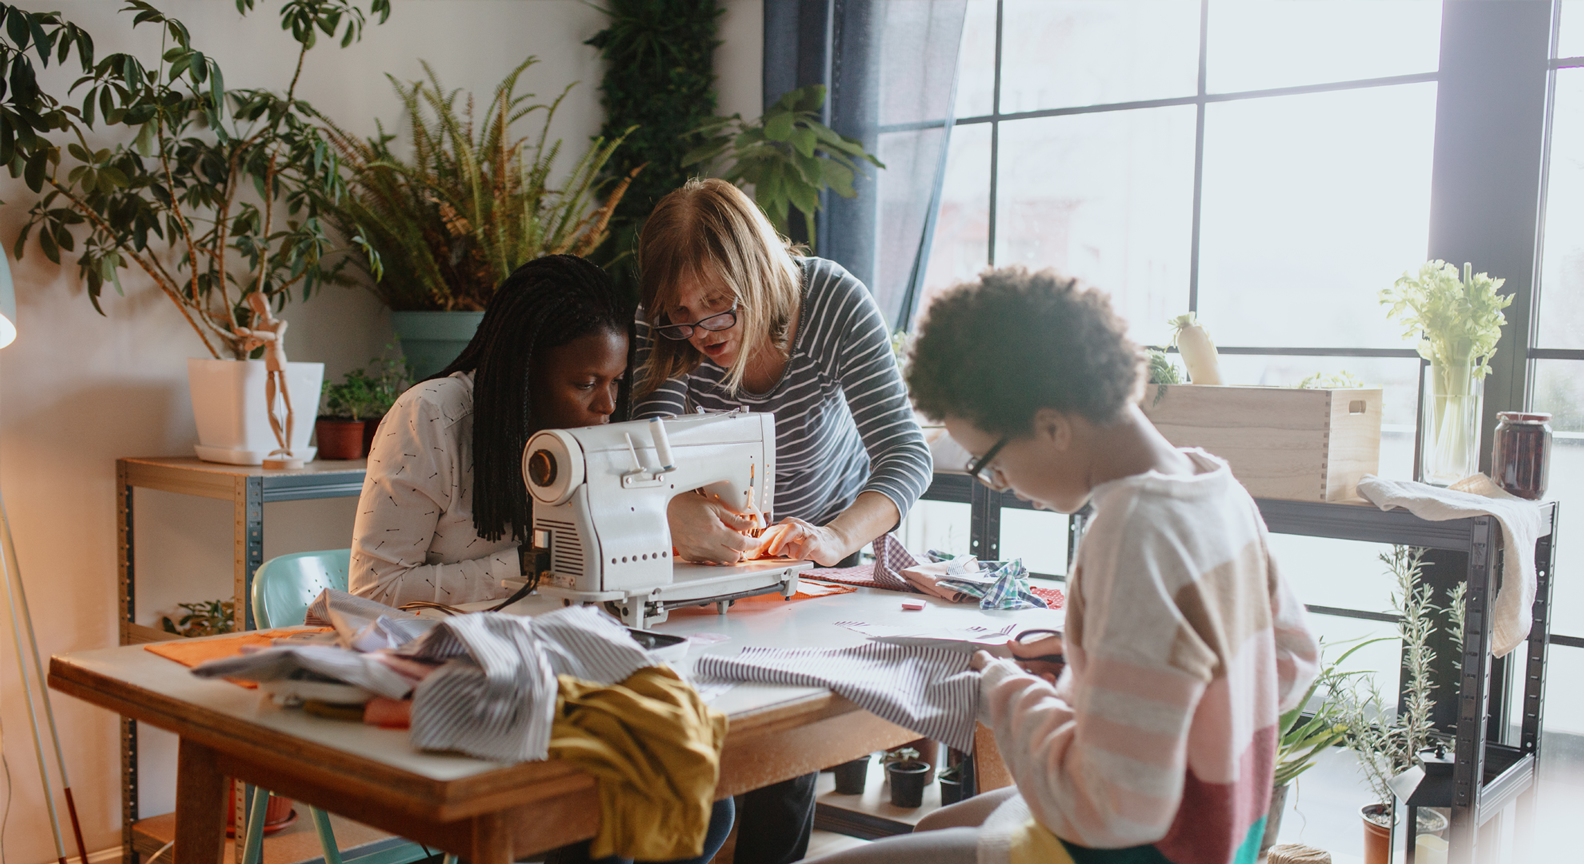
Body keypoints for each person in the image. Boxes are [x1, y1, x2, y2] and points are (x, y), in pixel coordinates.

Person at [805, 267, 1320, 864]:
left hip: (1144, 846)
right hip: (1223, 832)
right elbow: (1290, 662)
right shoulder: (1213, 485)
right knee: (935, 829)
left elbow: (1115, 805)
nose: (1000, 486)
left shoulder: (1130, 532)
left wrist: (1006, 691)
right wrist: (1100, 662)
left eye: (988, 463)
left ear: (1051, 427)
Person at [350, 254, 734, 864]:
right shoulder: (431, 419)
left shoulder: (589, 435)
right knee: (589, 823)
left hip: (557, 666)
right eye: (586, 384)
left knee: (705, 794)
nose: (607, 407)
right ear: (525, 373)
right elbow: (373, 593)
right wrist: (531, 561)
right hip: (464, 675)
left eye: (615, 383)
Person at [631, 178, 933, 863]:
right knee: (699, 738)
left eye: (717, 307)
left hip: (827, 543)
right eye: (680, 314)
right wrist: (676, 509)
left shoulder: (831, 302)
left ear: (761, 273)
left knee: (783, 754)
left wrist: (834, 538)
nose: (701, 331)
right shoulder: (671, 326)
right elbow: (645, 456)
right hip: (719, 555)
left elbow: (904, 453)